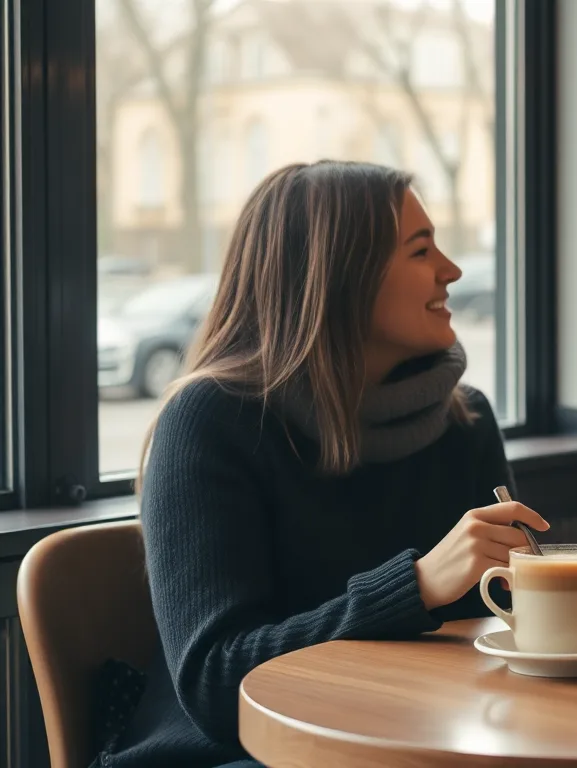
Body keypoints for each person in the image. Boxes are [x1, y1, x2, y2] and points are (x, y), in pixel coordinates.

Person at [99, 161, 548, 768]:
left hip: (409, 737)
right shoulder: (209, 421)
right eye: (421, 251)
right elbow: (213, 682)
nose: (452, 270)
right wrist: (414, 586)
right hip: (232, 754)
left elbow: (495, 634)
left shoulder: (464, 420)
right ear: (341, 278)